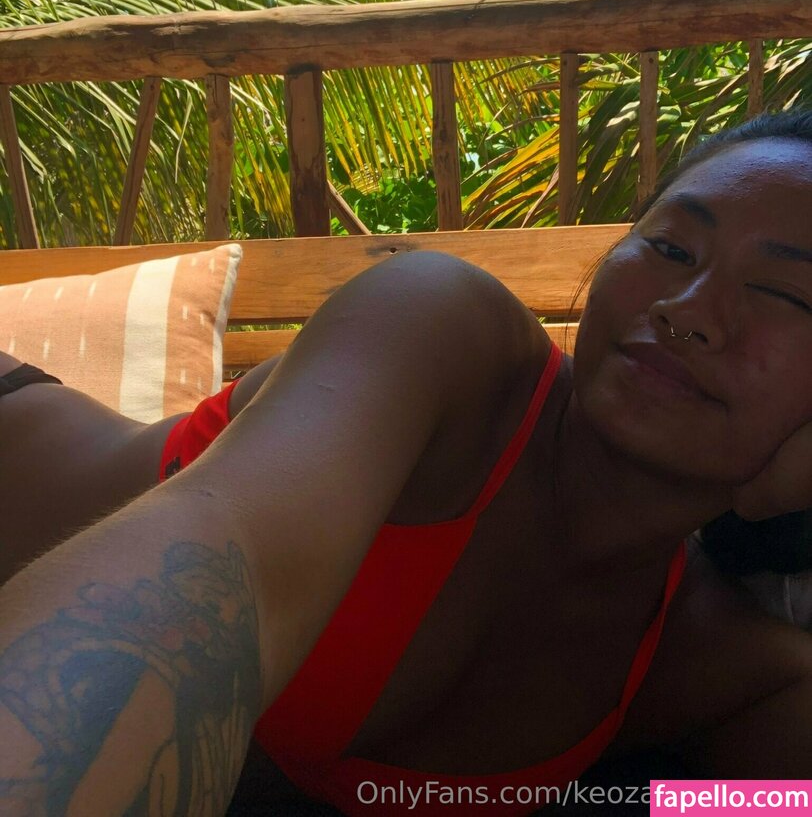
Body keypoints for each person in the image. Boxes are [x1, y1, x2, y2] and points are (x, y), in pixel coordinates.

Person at [2, 108, 812, 817]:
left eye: (786, 294)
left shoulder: (712, 666)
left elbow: (756, 803)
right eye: (669, 248)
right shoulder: (445, 341)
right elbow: (210, 572)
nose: (684, 311)